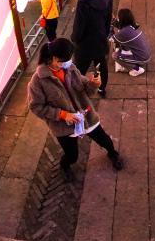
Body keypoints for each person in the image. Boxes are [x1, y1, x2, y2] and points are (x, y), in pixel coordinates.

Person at [28, 38, 124, 181]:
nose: (69, 62)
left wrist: (94, 84)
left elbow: (85, 88)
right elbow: (36, 107)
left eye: (69, 59)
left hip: (86, 116)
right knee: (72, 156)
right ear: (54, 58)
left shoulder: (70, 68)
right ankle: (64, 166)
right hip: (64, 126)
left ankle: (112, 154)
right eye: (65, 60)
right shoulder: (37, 82)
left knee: (105, 140)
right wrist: (62, 114)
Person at [72, 0, 114, 97]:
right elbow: (108, 20)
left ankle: (77, 92)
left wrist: (75, 39)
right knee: (101, 66)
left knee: (79, 70)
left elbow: (79, 24)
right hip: (100, 39)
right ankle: (102, 89)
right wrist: (104, 35)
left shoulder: (83, 1)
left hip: (84, 43)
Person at [111, 8, 150, 77]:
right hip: (145, 54)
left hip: (143, 58)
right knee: (122, 46)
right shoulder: (133, 25)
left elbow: (111, 39)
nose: (118, 19)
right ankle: (135, 62)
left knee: (115, 56)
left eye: (119, 18)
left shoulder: (124, 32)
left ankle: (137, 69)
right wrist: (112, 20)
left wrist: (109, 28)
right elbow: (120, 26)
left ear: (122, 20)